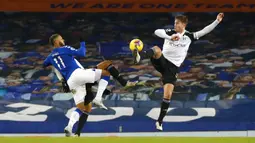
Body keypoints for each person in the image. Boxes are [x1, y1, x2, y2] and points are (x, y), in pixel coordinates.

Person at [132, 13, 224, 131]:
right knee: (156, 49)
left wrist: (216, 21)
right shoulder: (170, 32)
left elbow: (204, 31)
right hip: (163, 61)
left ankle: (159, 122)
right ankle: (139, 57)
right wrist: (170, 37)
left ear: (184, 24)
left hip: (173, 68)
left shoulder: (189, 36)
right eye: (174, 22)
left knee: (168, 95)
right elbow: (157, 31)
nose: (175, 25)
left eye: (177, 23)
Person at [44, 34, 137, 137]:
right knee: (107, 70)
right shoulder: (65, 49)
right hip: (78, 74)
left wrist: (62, 79)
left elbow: (45, 64)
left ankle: (70, 128)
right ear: (56, 41)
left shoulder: (50, 57)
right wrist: (82, 43)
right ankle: (99, 97)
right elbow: (82, 53)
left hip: (71, 82)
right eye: (61, 38)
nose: (63, 39)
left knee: (82, 108)